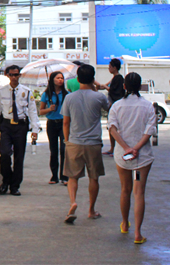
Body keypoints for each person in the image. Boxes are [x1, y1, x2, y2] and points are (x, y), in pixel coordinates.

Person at [108, 72, 157, 244]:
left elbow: (112, 129)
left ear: (124, 86)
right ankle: (137, 233)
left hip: (123, 156)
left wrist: (127, 148)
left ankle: (124, 223)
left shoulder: (117, 106)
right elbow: (149, 131)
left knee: (125, 189)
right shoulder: (148, 106)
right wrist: (136, 148)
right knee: (139, 192)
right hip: (141, 157)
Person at [62, 64, 109, 224]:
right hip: (93, 142)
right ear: (93, 78)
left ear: (78, 78)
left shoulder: (69, 98)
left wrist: (67, 140)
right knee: (94, 177)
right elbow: (108, 110)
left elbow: (66, 122)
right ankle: (91, 210)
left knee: (72, 176)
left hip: (74, 142)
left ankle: (73, 202)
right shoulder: (99, 97)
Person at [0, 65, 40, 196]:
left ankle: (15, 185)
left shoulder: (26, 91)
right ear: (7, 76)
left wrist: (35, 129)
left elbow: (32, 111)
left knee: (19, 157)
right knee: (5, 154)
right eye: (11, 75)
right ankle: (6, 180)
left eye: (16, 75)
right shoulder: (2, 91)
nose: (13, 77)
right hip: (6, 125)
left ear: (19, 76)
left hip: (20, 126)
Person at [40, 71, 69, 185]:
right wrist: (49, 109)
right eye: (58, 78)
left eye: (62, 78)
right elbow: (41, 111)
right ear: (52, 80)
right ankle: (54, 175)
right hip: (52, 123)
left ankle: (64, 175)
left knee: (64, 149)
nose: (60, 80)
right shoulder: (46, 94)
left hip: (64, 123)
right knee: (53, 150)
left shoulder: (66, 94)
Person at [103, 59, 125, 156]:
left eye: (110, 66)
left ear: (114, 67)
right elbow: (108, 85)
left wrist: (105, 87)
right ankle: (112, 148)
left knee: (114, 127)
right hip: (113, 105)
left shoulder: (118, 78)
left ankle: (114, 148)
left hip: (115, 106)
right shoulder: (115, 78)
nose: (109, 68)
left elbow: (114, 91)